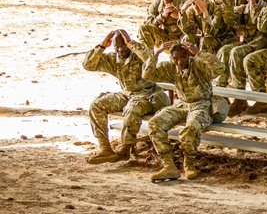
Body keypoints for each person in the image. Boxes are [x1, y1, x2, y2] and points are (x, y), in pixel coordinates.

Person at [82, 29, 168, 164]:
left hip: (148, 95)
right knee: (96, 105)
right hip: (127, 94)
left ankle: (126, 148)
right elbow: (88, 65)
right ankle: (105, 148)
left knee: (131, 110)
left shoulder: (138, 56)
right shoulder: (113, 59)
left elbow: (150, 59)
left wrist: (131, 43)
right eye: (117, 47)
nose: (120, 50)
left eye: (123, 46)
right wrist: (102, 46)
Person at [142, 41, 220, 182]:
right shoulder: (171, 68)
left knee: (190, 128)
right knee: (154, 124)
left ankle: (189, 164)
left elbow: (219, 68)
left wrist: (198, 53)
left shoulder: (198, 64)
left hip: (201, 105)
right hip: (181, 105)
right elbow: (148, 75)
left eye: (182, 57)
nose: (179, 62)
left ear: (188, 56)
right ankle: (168, 165)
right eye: (175, 58)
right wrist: (157, 53)